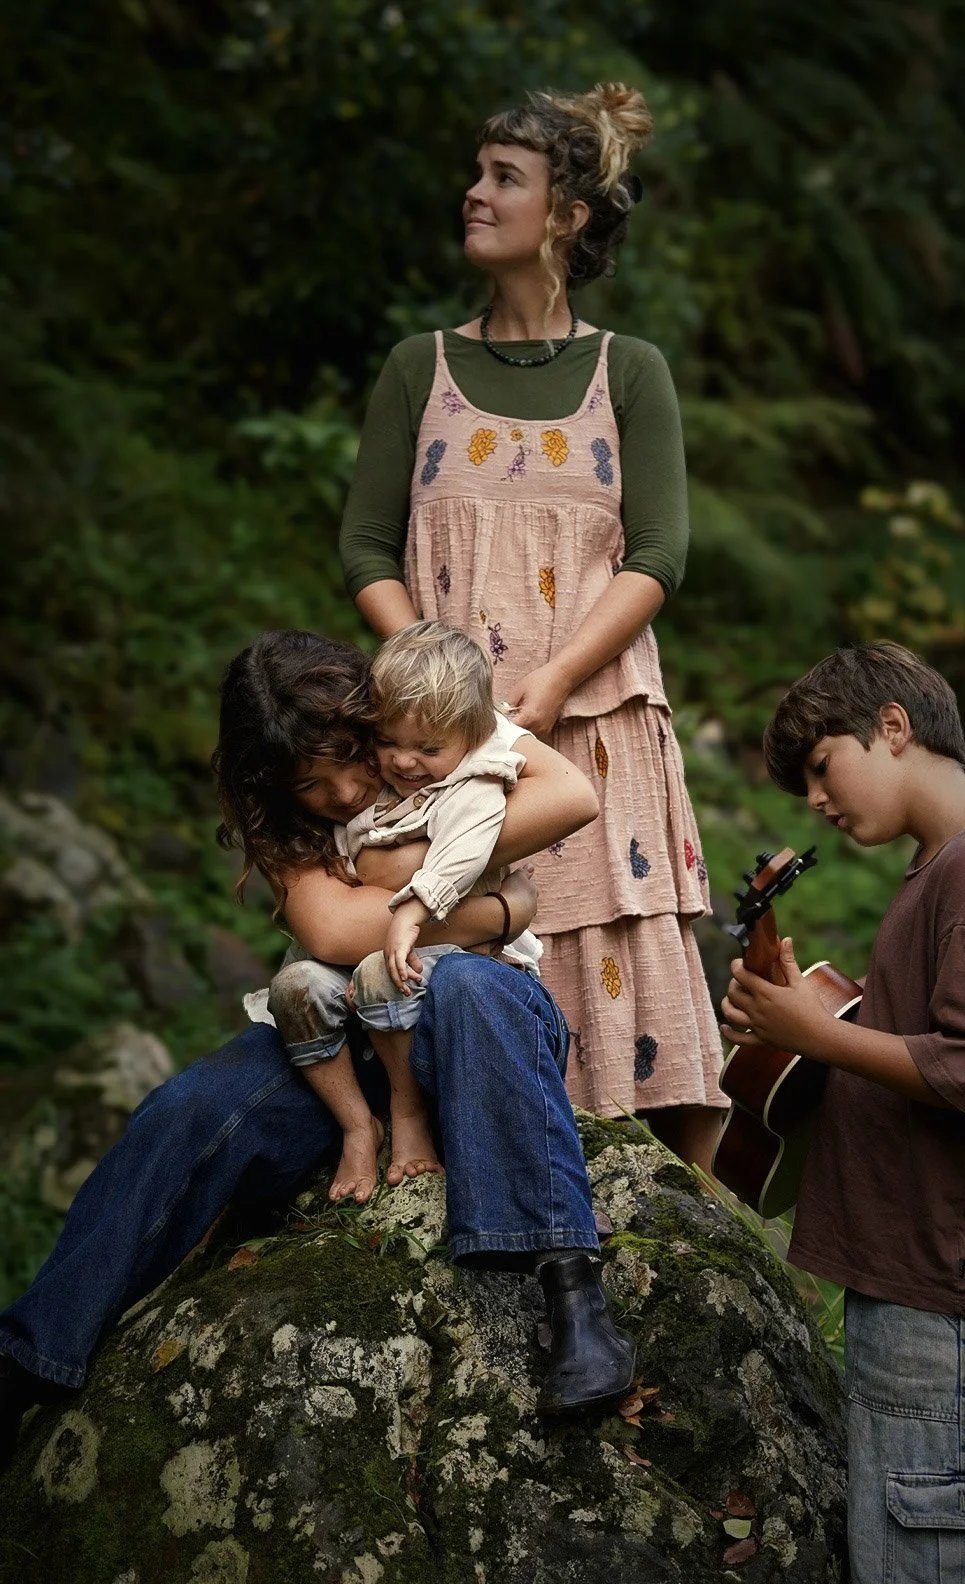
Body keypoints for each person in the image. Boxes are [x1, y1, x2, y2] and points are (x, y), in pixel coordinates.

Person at [0, 630, 636, 1472]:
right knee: (193, 1106)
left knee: (469, 989)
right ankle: (28, 1361)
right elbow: (332, 931)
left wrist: (394, 880)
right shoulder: (286, 820)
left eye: (351, 758)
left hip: (475, 1018)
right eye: (311, 782)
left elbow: (571, 797)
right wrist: (495, 905)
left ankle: (572, 1291)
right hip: (340, 1033)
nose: (339, 792)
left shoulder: (433, 721)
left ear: (378, 716)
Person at [338, 81, 726, 1173]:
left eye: (503, 177)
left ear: (568, 215)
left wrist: (549, 684)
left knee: (608, 952)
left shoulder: (630, 372)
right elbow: (366, 546)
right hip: (444, 744)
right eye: (477, 171)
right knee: (445, 928)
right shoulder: (420, 367)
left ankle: (642, 1229)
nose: (474, 193)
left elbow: (658, 556)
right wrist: (428, 683)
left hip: (593, 722)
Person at [719, 640, 965, 1584]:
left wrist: (813, 1036)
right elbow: (925, 1038)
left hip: (954, 1302)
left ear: (892, 726)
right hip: (934, 1287)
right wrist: (805, 1029)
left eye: (822, 769)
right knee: (920, 1574)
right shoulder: (945, 867)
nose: (816, 801)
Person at [256, 621, 543, 1200]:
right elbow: (335, 918)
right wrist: (503, 909)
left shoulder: (468, 778)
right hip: (369, 959)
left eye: (426, 750)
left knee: (380, 973)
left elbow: (486, 830)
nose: (404, 762)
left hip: (448, 959)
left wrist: (419, 897)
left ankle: (408, 1120)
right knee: (292, 987)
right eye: (388, 745)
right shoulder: (381, 786)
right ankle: (358, 1125)